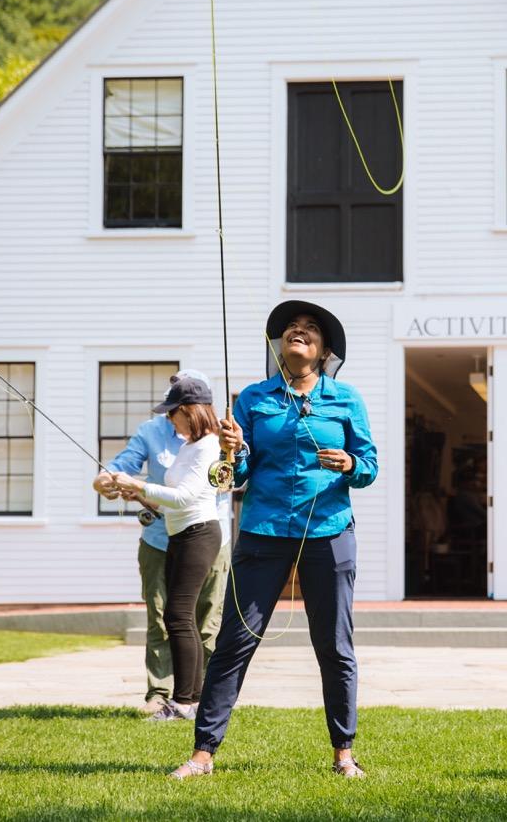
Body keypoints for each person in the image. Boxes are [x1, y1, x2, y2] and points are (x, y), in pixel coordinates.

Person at [169, 300, 377, 780]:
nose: (298, 332)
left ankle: (343, 752)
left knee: (335, 645)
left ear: (324, 350)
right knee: (234, 643)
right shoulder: (254, 400)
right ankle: (203, 754)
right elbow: (236, 474)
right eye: (290, 328)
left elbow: (369, 466)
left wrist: (350, 464)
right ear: (280, 346)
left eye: (309, 329)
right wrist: (233, 449)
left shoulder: (346, 398)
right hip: (263, 532)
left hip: (329, 532)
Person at [93, 370, 232, 718]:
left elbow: (185, 497)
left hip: (200, 534)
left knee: (190, 618)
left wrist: (138, 487)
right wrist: (119, 483)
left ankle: (191, 701)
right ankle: (181, 698)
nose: (167, 415)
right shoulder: (180, 443)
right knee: (170, 618)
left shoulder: (210, 444)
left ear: (190, 409)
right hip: (172, 534)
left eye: (173, 408)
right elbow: (168, 493)